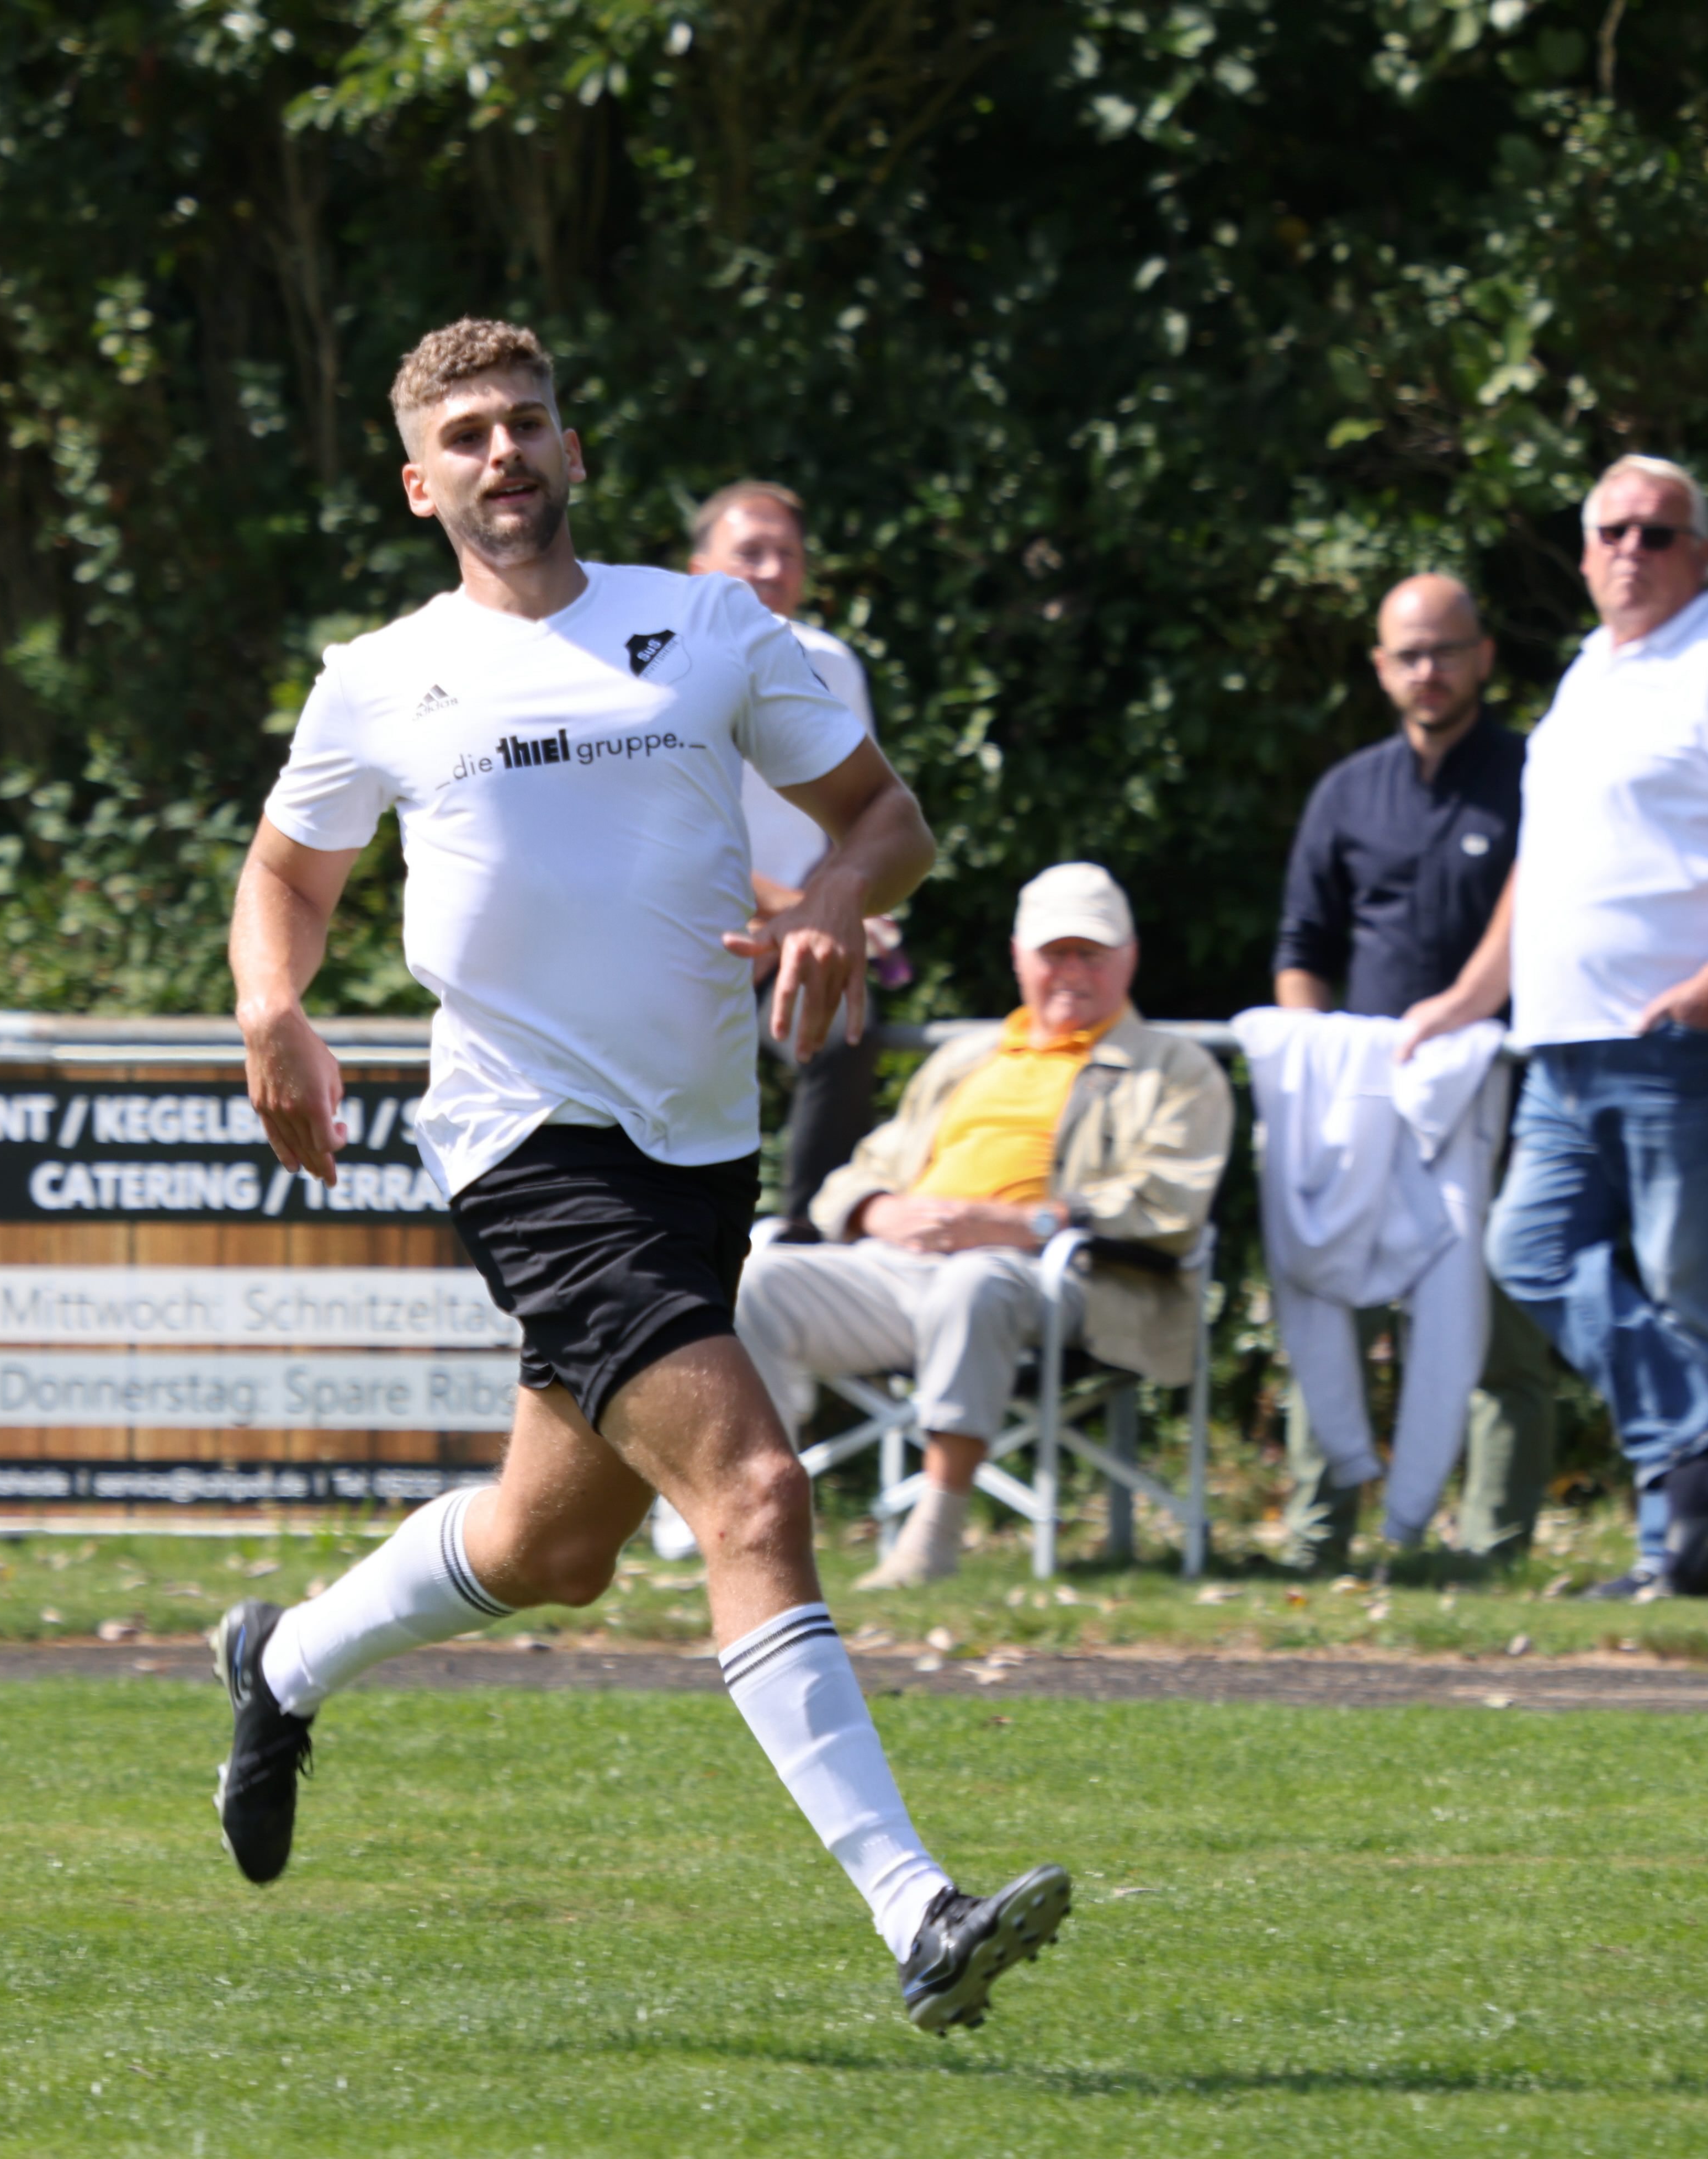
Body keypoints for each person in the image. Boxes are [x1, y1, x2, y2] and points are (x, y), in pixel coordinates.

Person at [213, 317, 1069, 2036]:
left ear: (574, 449)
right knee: (754, 1490)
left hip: (699, 1146)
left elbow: (886, 819)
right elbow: (287, 876)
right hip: (528, 1143)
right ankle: (916, 1909)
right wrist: (269, 1010)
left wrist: (832, 899)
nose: (504, 452)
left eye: (527, 422)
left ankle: (280, 1661)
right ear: (419, 484)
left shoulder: (711, 626)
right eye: (467, 434)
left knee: (552, 1548)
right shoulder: (380, 675)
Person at [1404, 454, 1708, 1600]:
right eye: (1612, 531)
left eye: (1658, 532)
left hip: (1693, 1041)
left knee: (1691, 1290)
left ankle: (1680, 1558)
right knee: (1528, 1253)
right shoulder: (1589, 676)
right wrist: (1470, 996)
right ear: (1586, 550)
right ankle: (1702, 1470)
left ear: (1702, 553)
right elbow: (1548, 865)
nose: (1632, 551)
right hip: (1567, 1043)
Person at [739, 862, 1232, 1590]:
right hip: (906, 1267)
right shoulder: (966, 1059)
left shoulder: (1176, 1069)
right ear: (1018, 958)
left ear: (1129, 958)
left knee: (976, 1281)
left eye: (1091, 953)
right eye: (1055, 953)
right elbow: (859, 1173)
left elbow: (1168, 1205)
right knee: (756, 1278)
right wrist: (880, 1211)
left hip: (1069, 1280)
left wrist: (1011, 1225)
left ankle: (933, 1537)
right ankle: (758, 1518)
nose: (1072, 971)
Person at [1260, 574, 1557, 1573]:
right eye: (1409, 654)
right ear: (1382, 668)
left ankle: (1490, 1553)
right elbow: (1303, 946)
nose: (1429, 670)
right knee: (1334, 1312)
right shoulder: (1348, 791)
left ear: (1484, 657)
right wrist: (1313, 1072)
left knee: (1500, 1330)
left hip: (1496, 1098)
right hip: (1363, 1099)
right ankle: (1320, 1543)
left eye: (1447, 650)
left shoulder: (1534, 778)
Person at [685, 479, 905, 1238]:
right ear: (699, 570)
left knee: (844, 1035)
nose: (774, 569)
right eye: (752, 552)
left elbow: (862, 812)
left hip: (788, 934)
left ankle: (807, 1241)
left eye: (789, 553)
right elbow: (670, 834)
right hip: (677, 932)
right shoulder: (653, 670)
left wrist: (826, 907)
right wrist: (785, 911)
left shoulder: (832, 665)